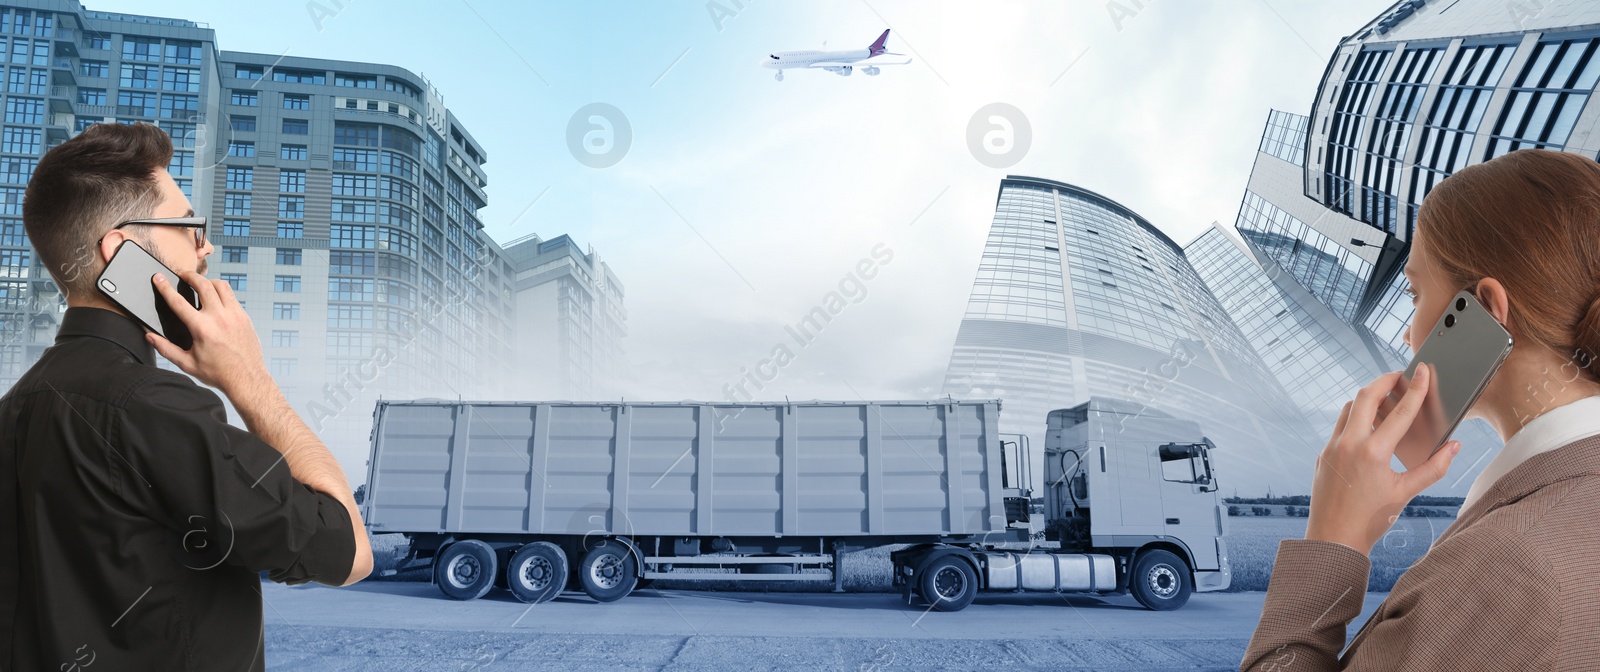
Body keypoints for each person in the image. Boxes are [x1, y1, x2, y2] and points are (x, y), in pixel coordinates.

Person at [0, 122, 373, 670]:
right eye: (187, 227)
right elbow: (348, 550)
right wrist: (250, 380)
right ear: (123, 252)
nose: (207, 246)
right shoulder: (153, 407)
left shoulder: (14, 408)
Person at [1240, 148, 1600, 670]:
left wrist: (1334, 541)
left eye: (1414, 293)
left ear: (1485, 310)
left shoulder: (1503, 569)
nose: (1409, 334)